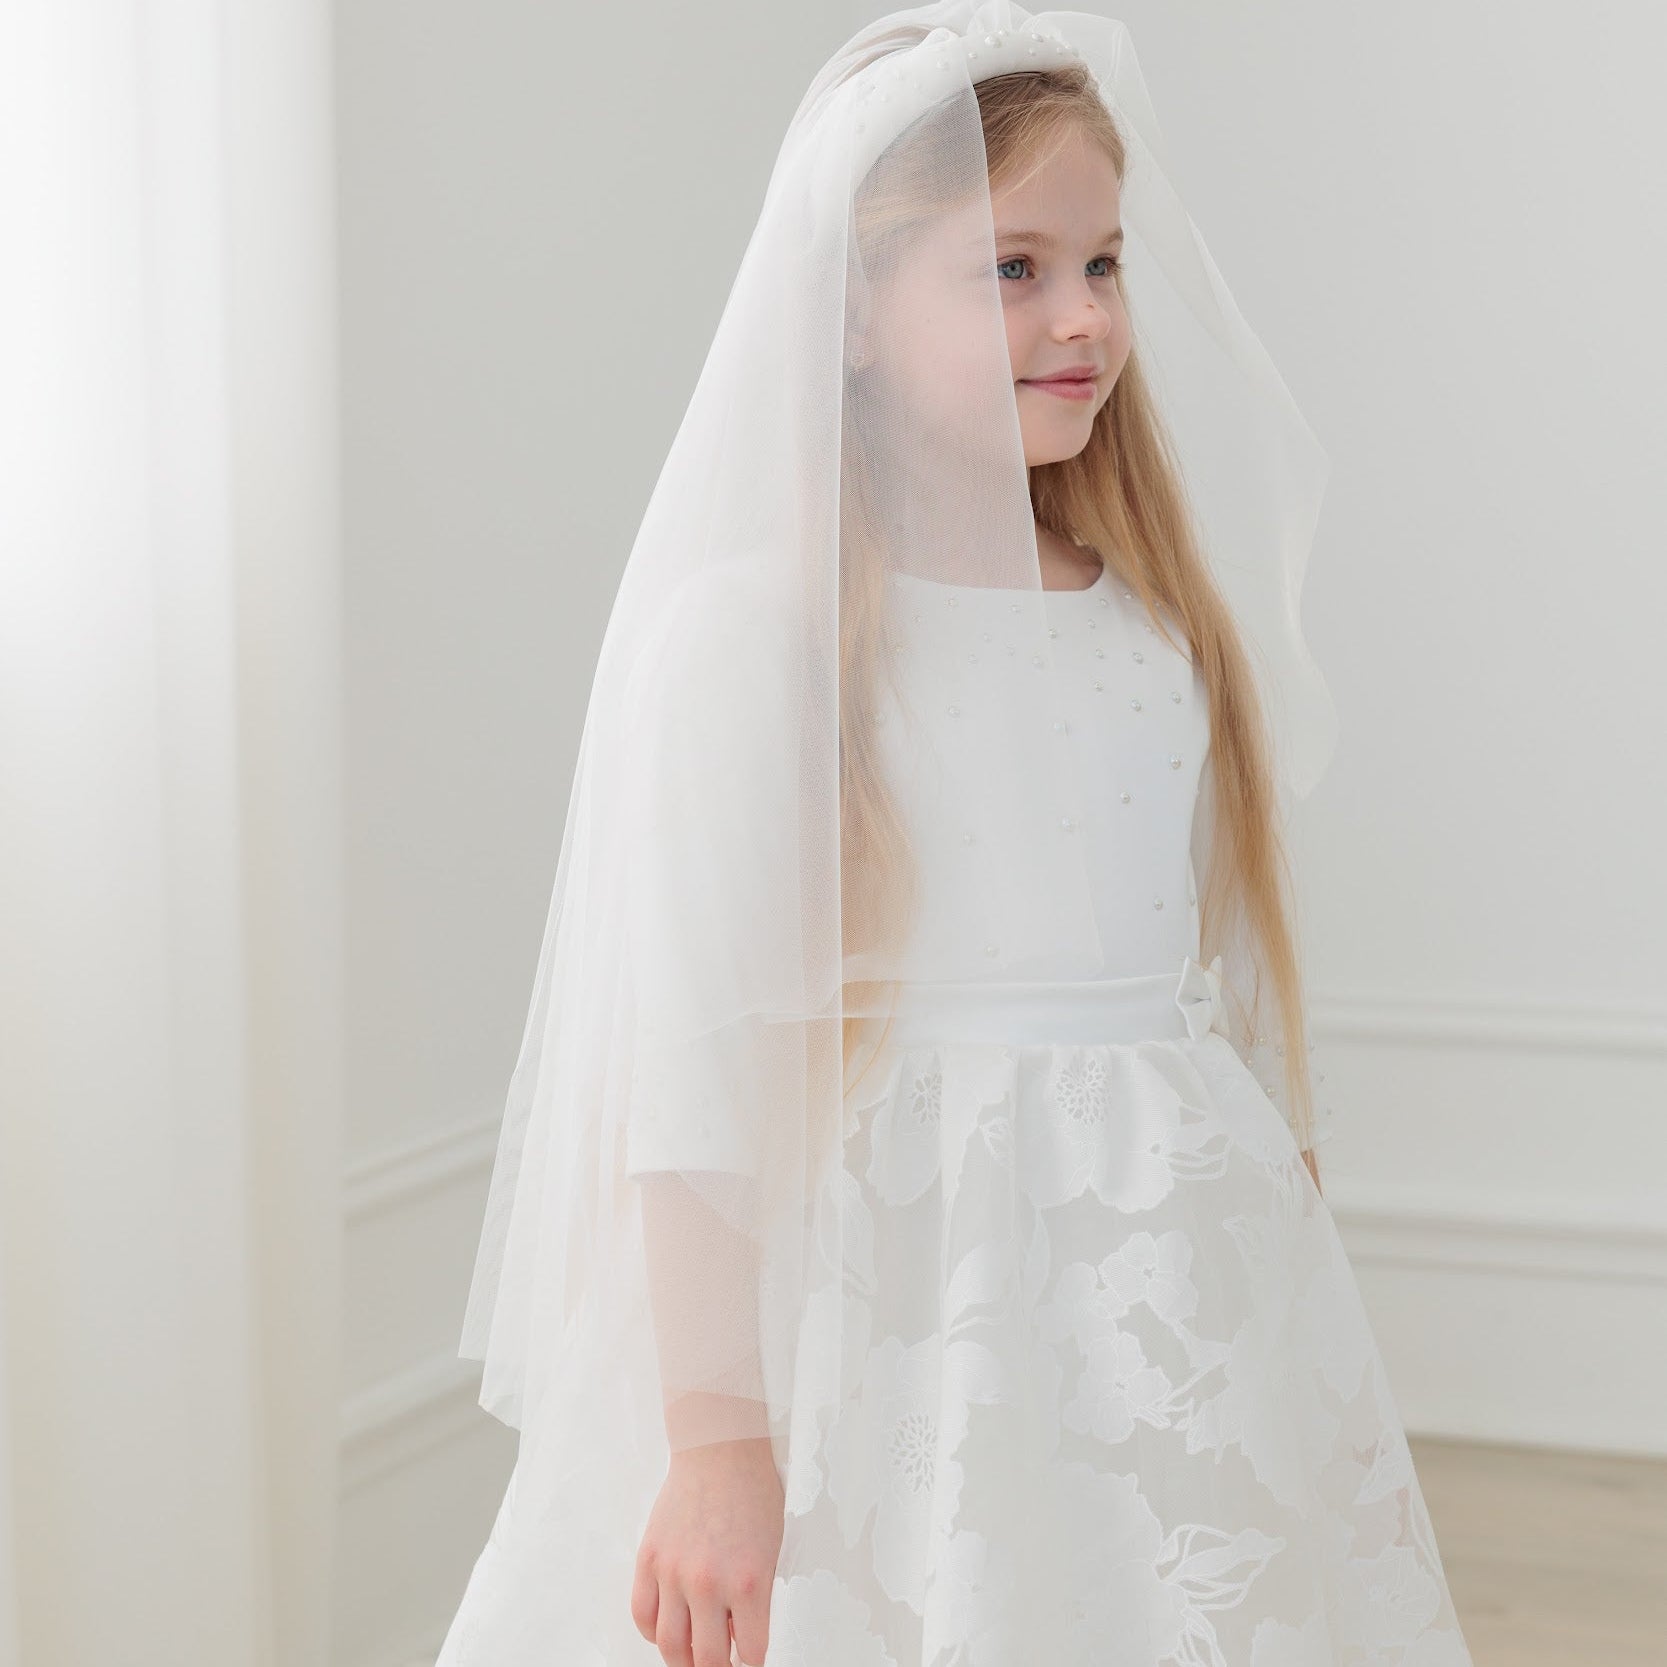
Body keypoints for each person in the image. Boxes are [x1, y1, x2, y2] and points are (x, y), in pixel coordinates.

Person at [437, 5, 1475, 1664]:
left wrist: (1287, 1298)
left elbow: (1224, 993)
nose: (1085, 317)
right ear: (851, 308)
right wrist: (720, 1444)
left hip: (1155, 1300)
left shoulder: (1153, 629)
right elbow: (688, 1082)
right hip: (893, 1309)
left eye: (1105, 264)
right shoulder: (759, 645)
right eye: (1012, 270)